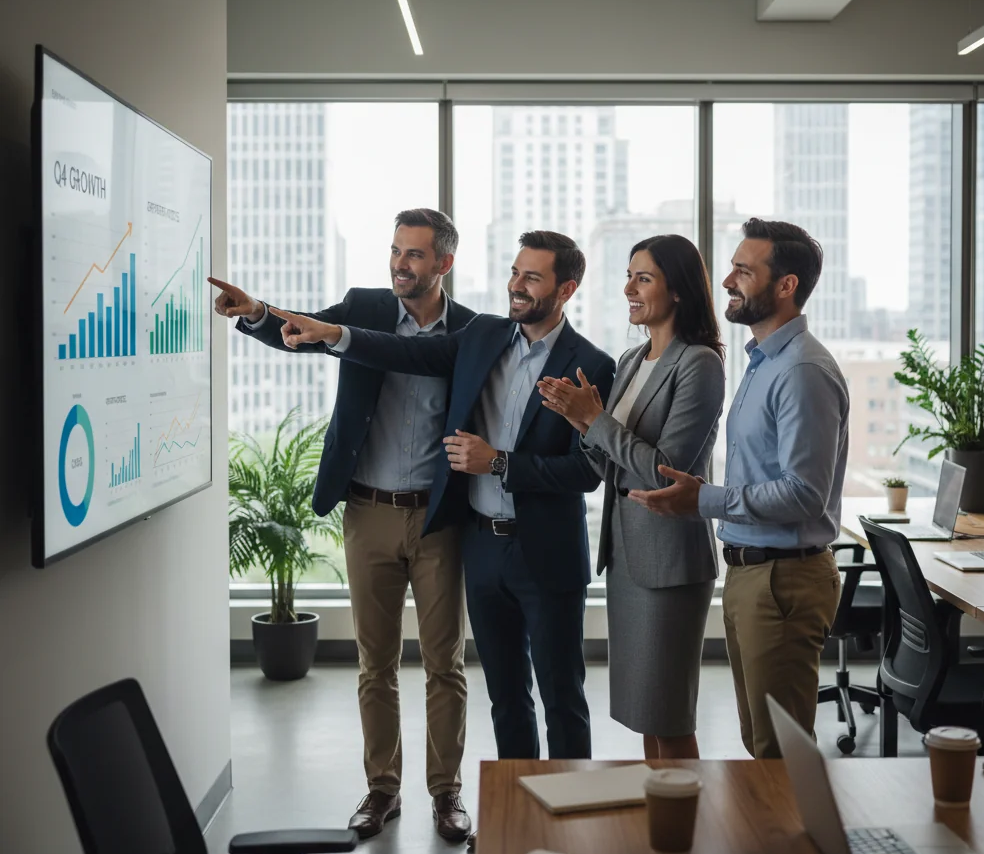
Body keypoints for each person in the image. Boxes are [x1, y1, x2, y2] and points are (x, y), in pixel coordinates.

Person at [268, 230, 616, 761]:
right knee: (505, 698)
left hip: (545, 552)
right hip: (481, 547)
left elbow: (586, 473)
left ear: (566, 289)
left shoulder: (590, 364)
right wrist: (335, 334)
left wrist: (497, 463)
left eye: (532, 277)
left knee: (562, 697)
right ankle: (517, 814)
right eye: (515, 272)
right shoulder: (483, 336)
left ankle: (570, 819)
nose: (516, 286)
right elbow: (404, 351)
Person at [208, 208, 477, 842]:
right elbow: (301, 331)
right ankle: (382, 788)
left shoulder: (469, 330)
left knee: (445, 663)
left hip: (438, 519)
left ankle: (446, 793)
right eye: (394, 251)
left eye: (413, 255)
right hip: (368, 512)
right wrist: (256, 312)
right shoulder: (364, 308)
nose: (399, 265)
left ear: (444, 263)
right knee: (374, 662)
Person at [629, 218, 849, 760]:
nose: (726, 280)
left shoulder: (802, 370)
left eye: (743, 271)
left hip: (785, 579)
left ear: (786, 285)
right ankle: (769, 844)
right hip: (754, 572)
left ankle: (791, 847)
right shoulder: (762, 361)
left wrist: (704, 499)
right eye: (731, 267)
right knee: (761, 743)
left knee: (779, 751)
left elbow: (803, 494)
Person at [538, 234, 725, 760]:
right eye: (628, 276)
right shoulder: (632, 358)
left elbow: (668, 470)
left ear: (680, 290)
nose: (628, 289)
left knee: (668, 715)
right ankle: (658, 823)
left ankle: (681, 827)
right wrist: (580, 421)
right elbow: (605, 465)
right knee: (647, 712)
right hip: (627, 556)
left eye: (643, 278)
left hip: (668, 561)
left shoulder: (699, 363)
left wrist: (595, 420)